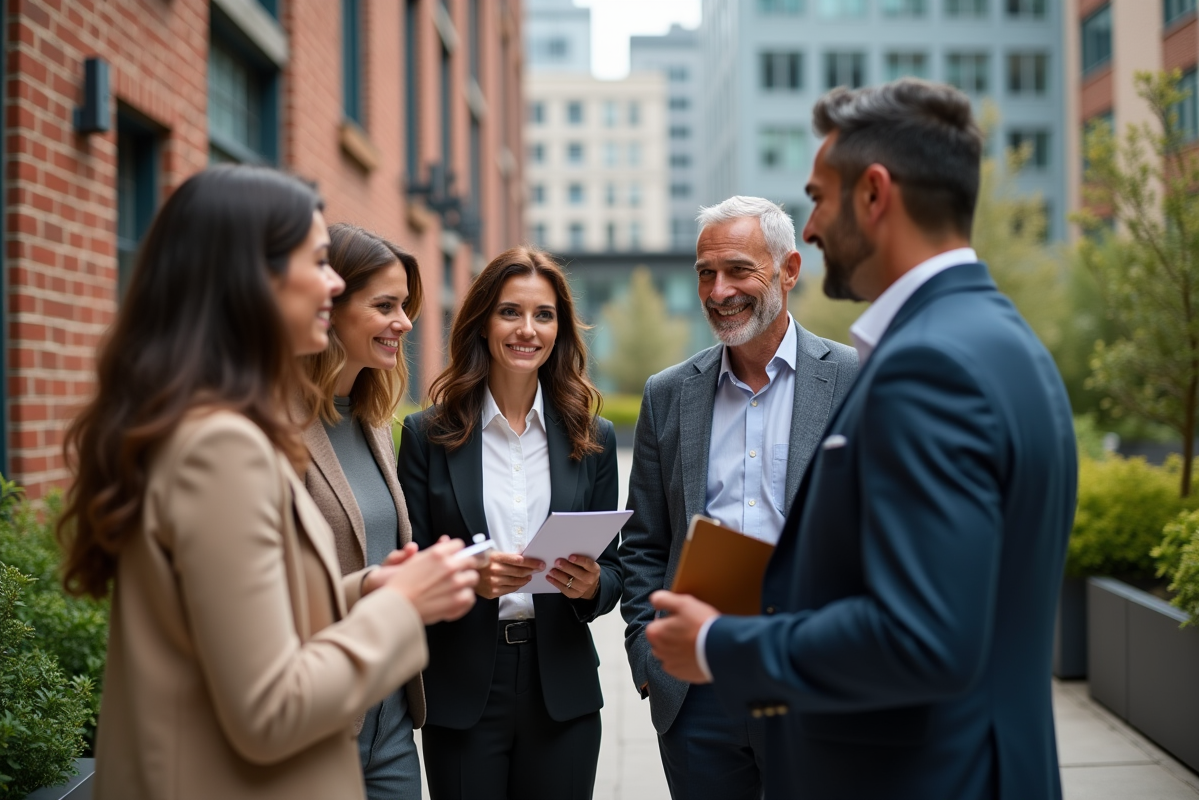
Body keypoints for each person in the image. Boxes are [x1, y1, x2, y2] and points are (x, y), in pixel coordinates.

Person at [647, 79, 1078, 800]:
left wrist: (719, 644)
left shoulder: (928, 365)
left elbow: (922, 637)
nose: (813, 228)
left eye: (819, 198)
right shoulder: (1000, 338)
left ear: (874, 193)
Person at [57, 165, 481, 800]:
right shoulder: (222, 447)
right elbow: (269, 709)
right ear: (250, 279)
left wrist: (370, 585)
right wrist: (402, 606)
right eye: (317, 261)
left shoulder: (206, 425)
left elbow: (246, 619)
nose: (333, 282)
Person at [619, 195, 858, 799]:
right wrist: (650, 661)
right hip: (698, 692)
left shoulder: (856, 379)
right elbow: (644, 542)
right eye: (706, 273)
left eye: (738, 270)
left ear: (789, 270)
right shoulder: (668, 394)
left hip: (812, 677)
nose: (719, 291)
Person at [397, 247, 623, 800]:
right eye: (509, 312)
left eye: (544, 315)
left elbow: (615, 570)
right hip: (463, 689)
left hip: (562, 689)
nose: (528, 329)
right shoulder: (428, 436)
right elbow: (408, 564)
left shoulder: (593, 438)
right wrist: (467, 579)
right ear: (482, 322)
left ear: (559, 329)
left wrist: (592, 585)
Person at [300, 223, 428, 800]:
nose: (405, 322)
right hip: (318, 722)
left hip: (391, 720)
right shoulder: (272, 429)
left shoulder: (373, 420)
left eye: (404, 306)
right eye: (385, 306)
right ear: (330, 306)